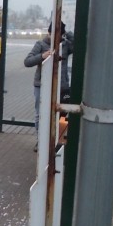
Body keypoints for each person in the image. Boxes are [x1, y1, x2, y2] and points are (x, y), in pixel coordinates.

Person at [24, 21, 73, 152]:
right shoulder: (40, 44)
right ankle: (41, 141)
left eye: (59, 35)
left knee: (62, 114)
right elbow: (27, 61)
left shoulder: (66, 45)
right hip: (42, 86)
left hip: (61, 87)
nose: (55, 38)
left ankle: (60, 141)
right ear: (48, 32)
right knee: (40, 114)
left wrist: (67, 33)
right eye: (53, 34)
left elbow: (79, 47)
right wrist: (42, 56)